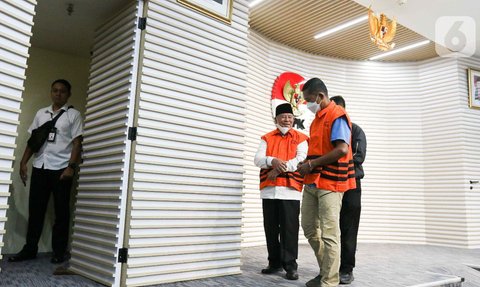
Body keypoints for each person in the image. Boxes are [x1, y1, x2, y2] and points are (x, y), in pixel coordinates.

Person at [9, 79, 83, 264]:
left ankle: (59, 251)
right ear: (51, 92)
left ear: (68, 94)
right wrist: (23, 163)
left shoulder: (73, 115)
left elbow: (77, 143)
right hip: (40, 167)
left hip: (61, 170)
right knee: (36, 211)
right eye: (55, 90)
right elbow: (33, 141)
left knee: (61, 212)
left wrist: (71, 168)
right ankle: (30, 249)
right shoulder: (41, 113)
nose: (58, 94)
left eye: (62, 91)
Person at [297, 78, 356, 287]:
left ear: (320, 96)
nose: (307, 104)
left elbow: (341, 149)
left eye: (309, 100)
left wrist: (311, 165)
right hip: (313, 182)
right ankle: (327, 272)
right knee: (309, 228)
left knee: (330, 234)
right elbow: (318, 150)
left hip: (331, 183)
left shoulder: (337, 115)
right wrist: (306, 163)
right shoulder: (316, 120)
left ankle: (329, 282)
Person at [254, 103, 309, 281]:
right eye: (283, 116)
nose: (287, 120)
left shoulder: (301, 138)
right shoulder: (267, 138)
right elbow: (258, 159)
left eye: (290, 117)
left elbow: (301, 160)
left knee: (289, 229)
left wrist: (278, 169)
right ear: (276, 118)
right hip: (269, 191)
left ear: (294, 119)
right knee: (270, 228)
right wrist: (272, 160)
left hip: (290, 190)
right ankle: (274, 262)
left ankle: (290, 266)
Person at [330, 96, 367, 285]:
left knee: (349, 228)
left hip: (351, 184)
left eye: (338, 108)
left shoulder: (356, 130)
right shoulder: (328, 130)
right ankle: (331, 267)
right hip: (331, 183)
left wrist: (332, 158)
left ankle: (346, 269)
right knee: (331, 228)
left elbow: (358, 157)